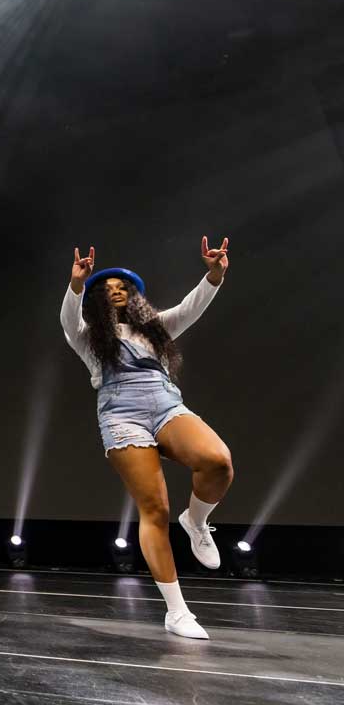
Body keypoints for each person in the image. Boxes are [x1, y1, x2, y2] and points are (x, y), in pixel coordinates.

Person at [62, 238, 233, 640]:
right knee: (154, 507)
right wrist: (75, 285)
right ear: (97, 299)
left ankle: (197, 521)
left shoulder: (156, 329)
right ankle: (176, 612)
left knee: (218, 461)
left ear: (134, 294)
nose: (115, 290)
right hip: (121, 415)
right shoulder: (88, 337)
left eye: (122, 285)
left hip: (165, 404)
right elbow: (69, 320)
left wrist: (214, 275)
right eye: (106, 287)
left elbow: (191, 308)